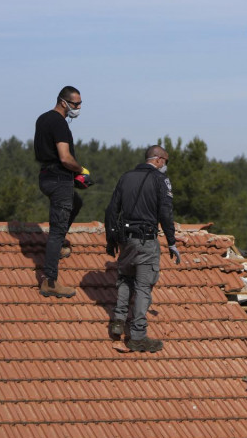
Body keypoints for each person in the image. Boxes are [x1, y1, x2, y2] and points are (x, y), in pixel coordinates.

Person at [104, 145, 181, 353]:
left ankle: (118, 321)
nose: (165, 165)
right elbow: (166, 211)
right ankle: (137, 336)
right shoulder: (160, 180)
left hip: (126, 241)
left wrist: (111, 240)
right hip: (146, 241)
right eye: (165, 161)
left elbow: (112, 209)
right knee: (143, 287)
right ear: (158, 160)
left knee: (125, 279)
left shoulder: (126, 177)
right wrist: (171, 241)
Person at [34, 85, 87, 298]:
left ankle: (59, 247)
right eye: (76, 104)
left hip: (46, 176)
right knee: (56, 231)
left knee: (77, 203)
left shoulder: (43, 118)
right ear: (63, 102)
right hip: (59, 179)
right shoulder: (60, 123)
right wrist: (81, 170)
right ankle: (50, 282)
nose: (78, 108)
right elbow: (65, 158)